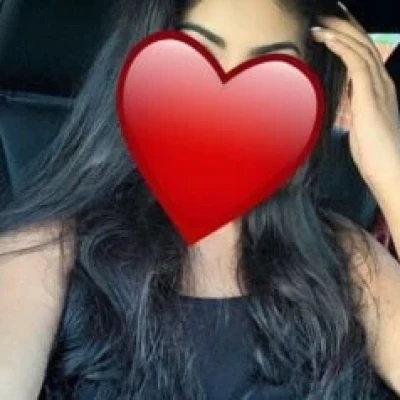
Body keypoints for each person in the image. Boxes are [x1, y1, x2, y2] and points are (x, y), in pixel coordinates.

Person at [0, 0, 399, 398]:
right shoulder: (46, 256)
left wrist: (389, 172)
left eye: (270, 77)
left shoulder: (348, 259)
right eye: (196, 57)